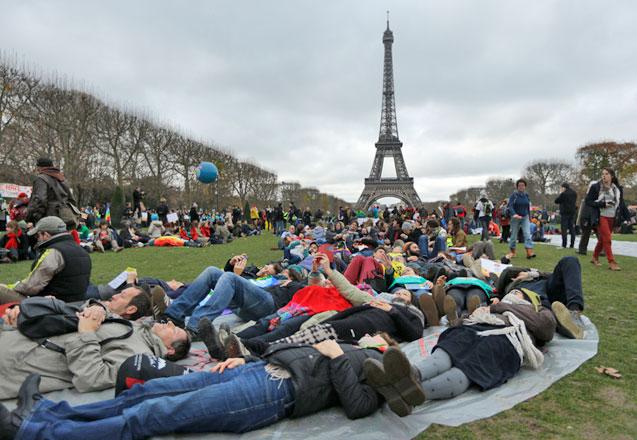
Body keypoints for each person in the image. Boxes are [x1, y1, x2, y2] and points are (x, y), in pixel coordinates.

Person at [2, 336, 387, 438]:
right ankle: (48, 413)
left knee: (152, 414)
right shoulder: (360, 349)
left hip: (270, 396)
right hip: (257, 373)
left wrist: (338, 356)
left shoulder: (383, 372)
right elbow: (301, 355)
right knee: (144, 393)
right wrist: (249, 359)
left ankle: (33, 432)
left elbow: (356, 405)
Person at [364, 292, 555, 416]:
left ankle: (411, 391)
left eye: (517, 292)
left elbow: (545, 330)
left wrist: (499, 307)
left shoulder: (538, 310)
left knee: (470, 366)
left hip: (508, 338)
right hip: (475, 326)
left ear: (530, 299)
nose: (511, 294)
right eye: (510, 291)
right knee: (448, 349)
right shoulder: (491, 307)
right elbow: (459, 325)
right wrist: (467, 318)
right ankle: (411, 376)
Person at [0, 301, 190, 399]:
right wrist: (98, 309)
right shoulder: (138, 328)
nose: (170, 323)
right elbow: (103, 312)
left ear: (170, 350)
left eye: (175, 329)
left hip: (14, 362)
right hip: (17, 338)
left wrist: (86, 333)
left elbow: (92, 377)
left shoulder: (139, 357)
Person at [0, 217, 92, 304]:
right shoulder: (80, 250)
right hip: (76, 303)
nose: (37, 239)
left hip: (51, 305)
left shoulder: (54, 252)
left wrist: (10, 287)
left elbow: (31, 286)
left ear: (46, 234)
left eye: (37, 235)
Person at [584, 168, 623, 271]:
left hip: (613, 217)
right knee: (607, 239)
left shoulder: (617, 188)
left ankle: (594, 257)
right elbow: (588, 201)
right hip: (601, 216)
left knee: (603, 240)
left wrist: (626, 218)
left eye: (606, 174)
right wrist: (602, 204)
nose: (604, 176)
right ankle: (611, 261)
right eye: (602, 174)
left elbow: (621, 204)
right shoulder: (595, 187)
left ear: (612, 176)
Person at [26, 157, 79, 227]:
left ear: (39, 167)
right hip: (64, 219)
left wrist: (34, 218)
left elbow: (40, 200)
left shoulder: (41, 178)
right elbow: (72, 200)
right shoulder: (61, 178)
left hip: (48, 220)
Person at [506, 179, 536, 259]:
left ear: (525, 186)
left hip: (525, 217)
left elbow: (528, 207)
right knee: (513, 236)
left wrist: (530, 217)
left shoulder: (526, 195)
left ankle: (529, 252)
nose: (521, 187)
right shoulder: (514, 195)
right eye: (519, 185)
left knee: (527, 234)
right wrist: (514, 214)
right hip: (515, 218)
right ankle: (512, 252)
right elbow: (510, 206)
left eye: (523, 185)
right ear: (517, 187)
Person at [554, 183, 577, 249]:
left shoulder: (564, 194)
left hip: (565, 213)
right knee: (572, 229)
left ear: (564, 188)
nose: (561, 189)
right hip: (572, 213)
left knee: (564, 229)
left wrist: (561, 194)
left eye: (561, 188)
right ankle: (572, 244)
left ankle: (564, 244)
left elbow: (556, 201)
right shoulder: (574, 193)